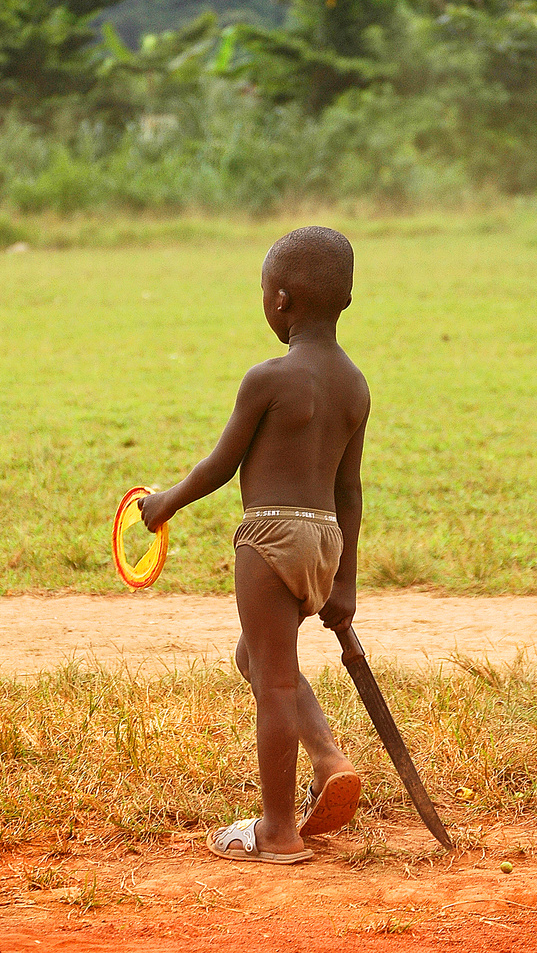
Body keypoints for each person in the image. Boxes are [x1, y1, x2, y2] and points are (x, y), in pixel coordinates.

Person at [139, 226, 370, 864]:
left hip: (269, 535)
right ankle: (328, 760)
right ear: (343, 301)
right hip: (323, 541)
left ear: (282, 300)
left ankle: (277, 831)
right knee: (257, 655)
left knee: (273, 683)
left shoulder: (267, 378)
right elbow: (349, 491)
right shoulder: (354, 385)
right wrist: (343, 583)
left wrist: (165, 504)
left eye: (264, 293)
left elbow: (221, 464)